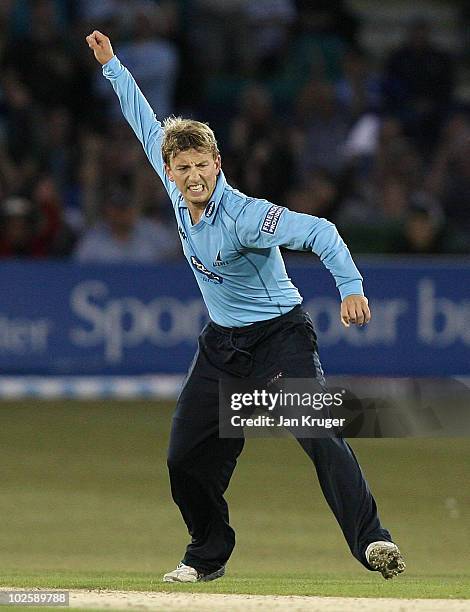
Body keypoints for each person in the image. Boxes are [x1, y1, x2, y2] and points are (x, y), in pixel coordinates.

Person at [86, 30, 406, 583]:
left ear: (217, 162)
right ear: (172, 171)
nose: (191, 176)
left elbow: (321, 230)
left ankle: (374, 540)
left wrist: (350, 287)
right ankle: (206, 556)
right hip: (221, 345)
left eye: (200, 166)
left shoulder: (247, 217)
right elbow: (143, 121)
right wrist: (113, 64)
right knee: (183, 460)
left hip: (280, 339)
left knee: (319, 435)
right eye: (181, 168)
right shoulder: (174, 186)